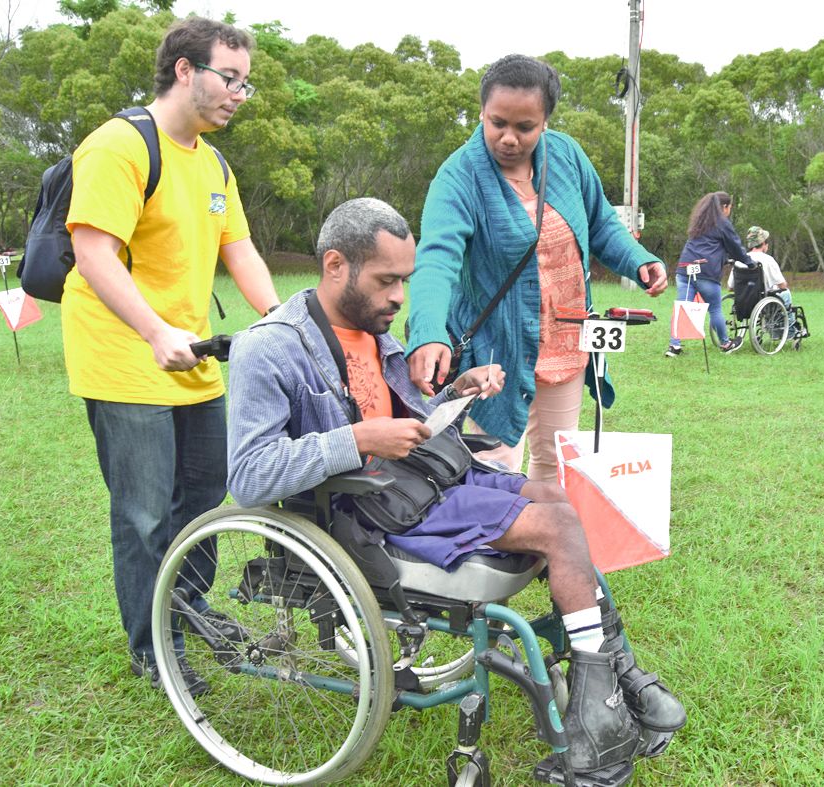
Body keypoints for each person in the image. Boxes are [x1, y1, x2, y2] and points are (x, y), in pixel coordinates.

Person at [227, 198, 685, 776]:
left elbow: (404, 420)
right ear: (335, 264)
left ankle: (611, 679)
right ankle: (603, 703)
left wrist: (452, 396)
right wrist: (358, 437)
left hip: (417, 485)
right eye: (386, 280)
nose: (399, 297)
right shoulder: (269, 348)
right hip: (363, 511)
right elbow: (248, 475)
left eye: (405, 281)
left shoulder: (375, 332)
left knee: (557, 499)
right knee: (559, 525)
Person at [64, 17, 280, 695]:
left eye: (247, 82)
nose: (239, 95)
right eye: (229, 78)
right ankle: (152, 645)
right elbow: (93, 250)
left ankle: (184, 606)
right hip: (124, 350)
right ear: (185, 70)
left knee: (204, 493)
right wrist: (156, 331)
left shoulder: (213, 163)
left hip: (193, 353)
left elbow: (237, 248)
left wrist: (279, 319)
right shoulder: (120, 146)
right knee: (144, 510)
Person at [405, 54, 667, 482]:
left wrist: (639, 260)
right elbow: (437, 258)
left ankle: (545, 549)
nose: (509, 138)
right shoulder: (458, 177)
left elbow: (601, 222)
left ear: (545, 121)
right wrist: (428, 330)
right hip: (497, 348)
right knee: (493, 471)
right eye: (498, 123)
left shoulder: (565, 156)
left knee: (557, 465)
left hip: (566, 341)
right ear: (481, 113)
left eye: (524, 127)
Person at [666, 191, 751, 356]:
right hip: (706, 271)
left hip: (685, 268)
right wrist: (749, 262)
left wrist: (723, 259)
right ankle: (726, 344)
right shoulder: (722, 223)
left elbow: (707, 246)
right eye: (730, 207)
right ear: (725, 207)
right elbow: (735, 247)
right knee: (715, 309)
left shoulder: (699, 220)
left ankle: (674, 346)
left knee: (681, 308)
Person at [735, 225, 796, 336]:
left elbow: (731, 287)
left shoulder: (740, 261)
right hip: (763, 301)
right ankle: (789, 331)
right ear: (764, 244)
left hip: (742, 302)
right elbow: (782, 285)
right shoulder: (768, 260)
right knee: (786, 293)